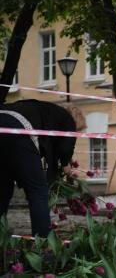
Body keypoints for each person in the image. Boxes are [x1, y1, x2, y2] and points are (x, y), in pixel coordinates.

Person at [0, 99, 86, 237]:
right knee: (38, 190)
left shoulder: (45, 112)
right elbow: (65, 148)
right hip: (18, 128)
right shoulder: (67, 118)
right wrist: (67, 168)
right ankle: (43, 242)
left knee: (3, 188)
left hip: (3, 119)